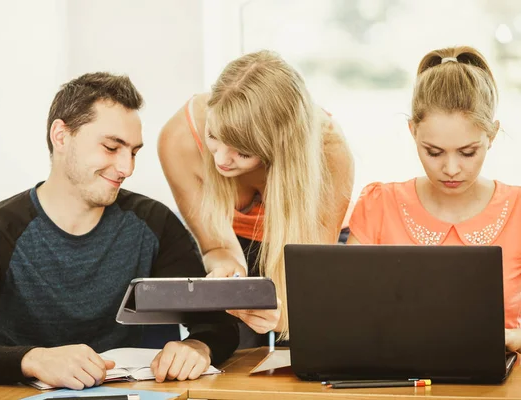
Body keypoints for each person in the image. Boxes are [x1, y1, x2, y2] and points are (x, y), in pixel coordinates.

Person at [0, 72, 239, 388]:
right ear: (60, 135)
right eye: (111, 147)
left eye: (133, 152)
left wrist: (197, 347)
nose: (127, 168)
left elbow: (218, 326)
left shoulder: (157, 225)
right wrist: (34, 360)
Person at [158, 50, 354, 346]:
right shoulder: (180, 138)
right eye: (214, 136)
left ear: (280, 147)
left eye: (244, 152)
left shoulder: (330, 151)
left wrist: (284, 318)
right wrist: (228, 269)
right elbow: (217, 246)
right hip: (233, 241)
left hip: (305, 250)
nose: (221, 160)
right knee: (231, 345)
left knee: (309, 345)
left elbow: (308, 275)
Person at [347, 46, 521, 351]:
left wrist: (513, 339)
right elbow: (345, 313)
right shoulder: (378, 205)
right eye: (434, 152)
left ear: (491, 137)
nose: (451, 169)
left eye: (468, 153)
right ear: (413, 131)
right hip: (395, 382)